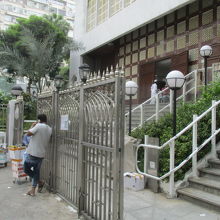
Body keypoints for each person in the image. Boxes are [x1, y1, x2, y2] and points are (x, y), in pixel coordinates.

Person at [24, 114, 52, 196]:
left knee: (26, 169)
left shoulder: (38, 126)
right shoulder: (49, 129)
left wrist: (32, 126)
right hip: (41, 154)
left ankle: (40, 181)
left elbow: (28, 134)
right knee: (36, 171)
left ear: (39, 120)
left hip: (33, 153)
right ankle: (33, 190)